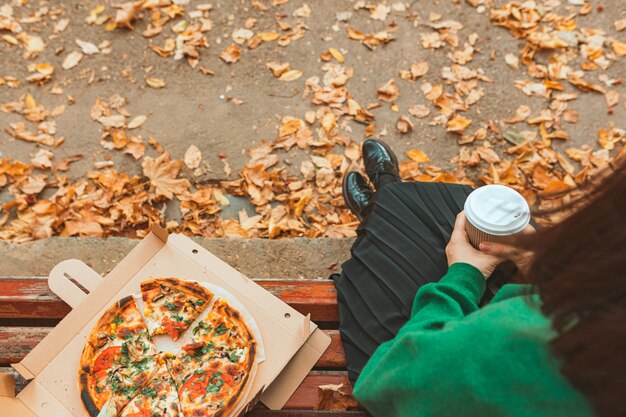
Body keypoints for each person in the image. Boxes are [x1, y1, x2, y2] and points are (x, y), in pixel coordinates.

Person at [333, 139, 625, 417]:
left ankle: (381, 203)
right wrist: (542, 268)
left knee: (400, 233)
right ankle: (381, 203)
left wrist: (463, 277)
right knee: (451, 214)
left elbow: (384, 381)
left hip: (411, 384)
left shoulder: (530, 344)